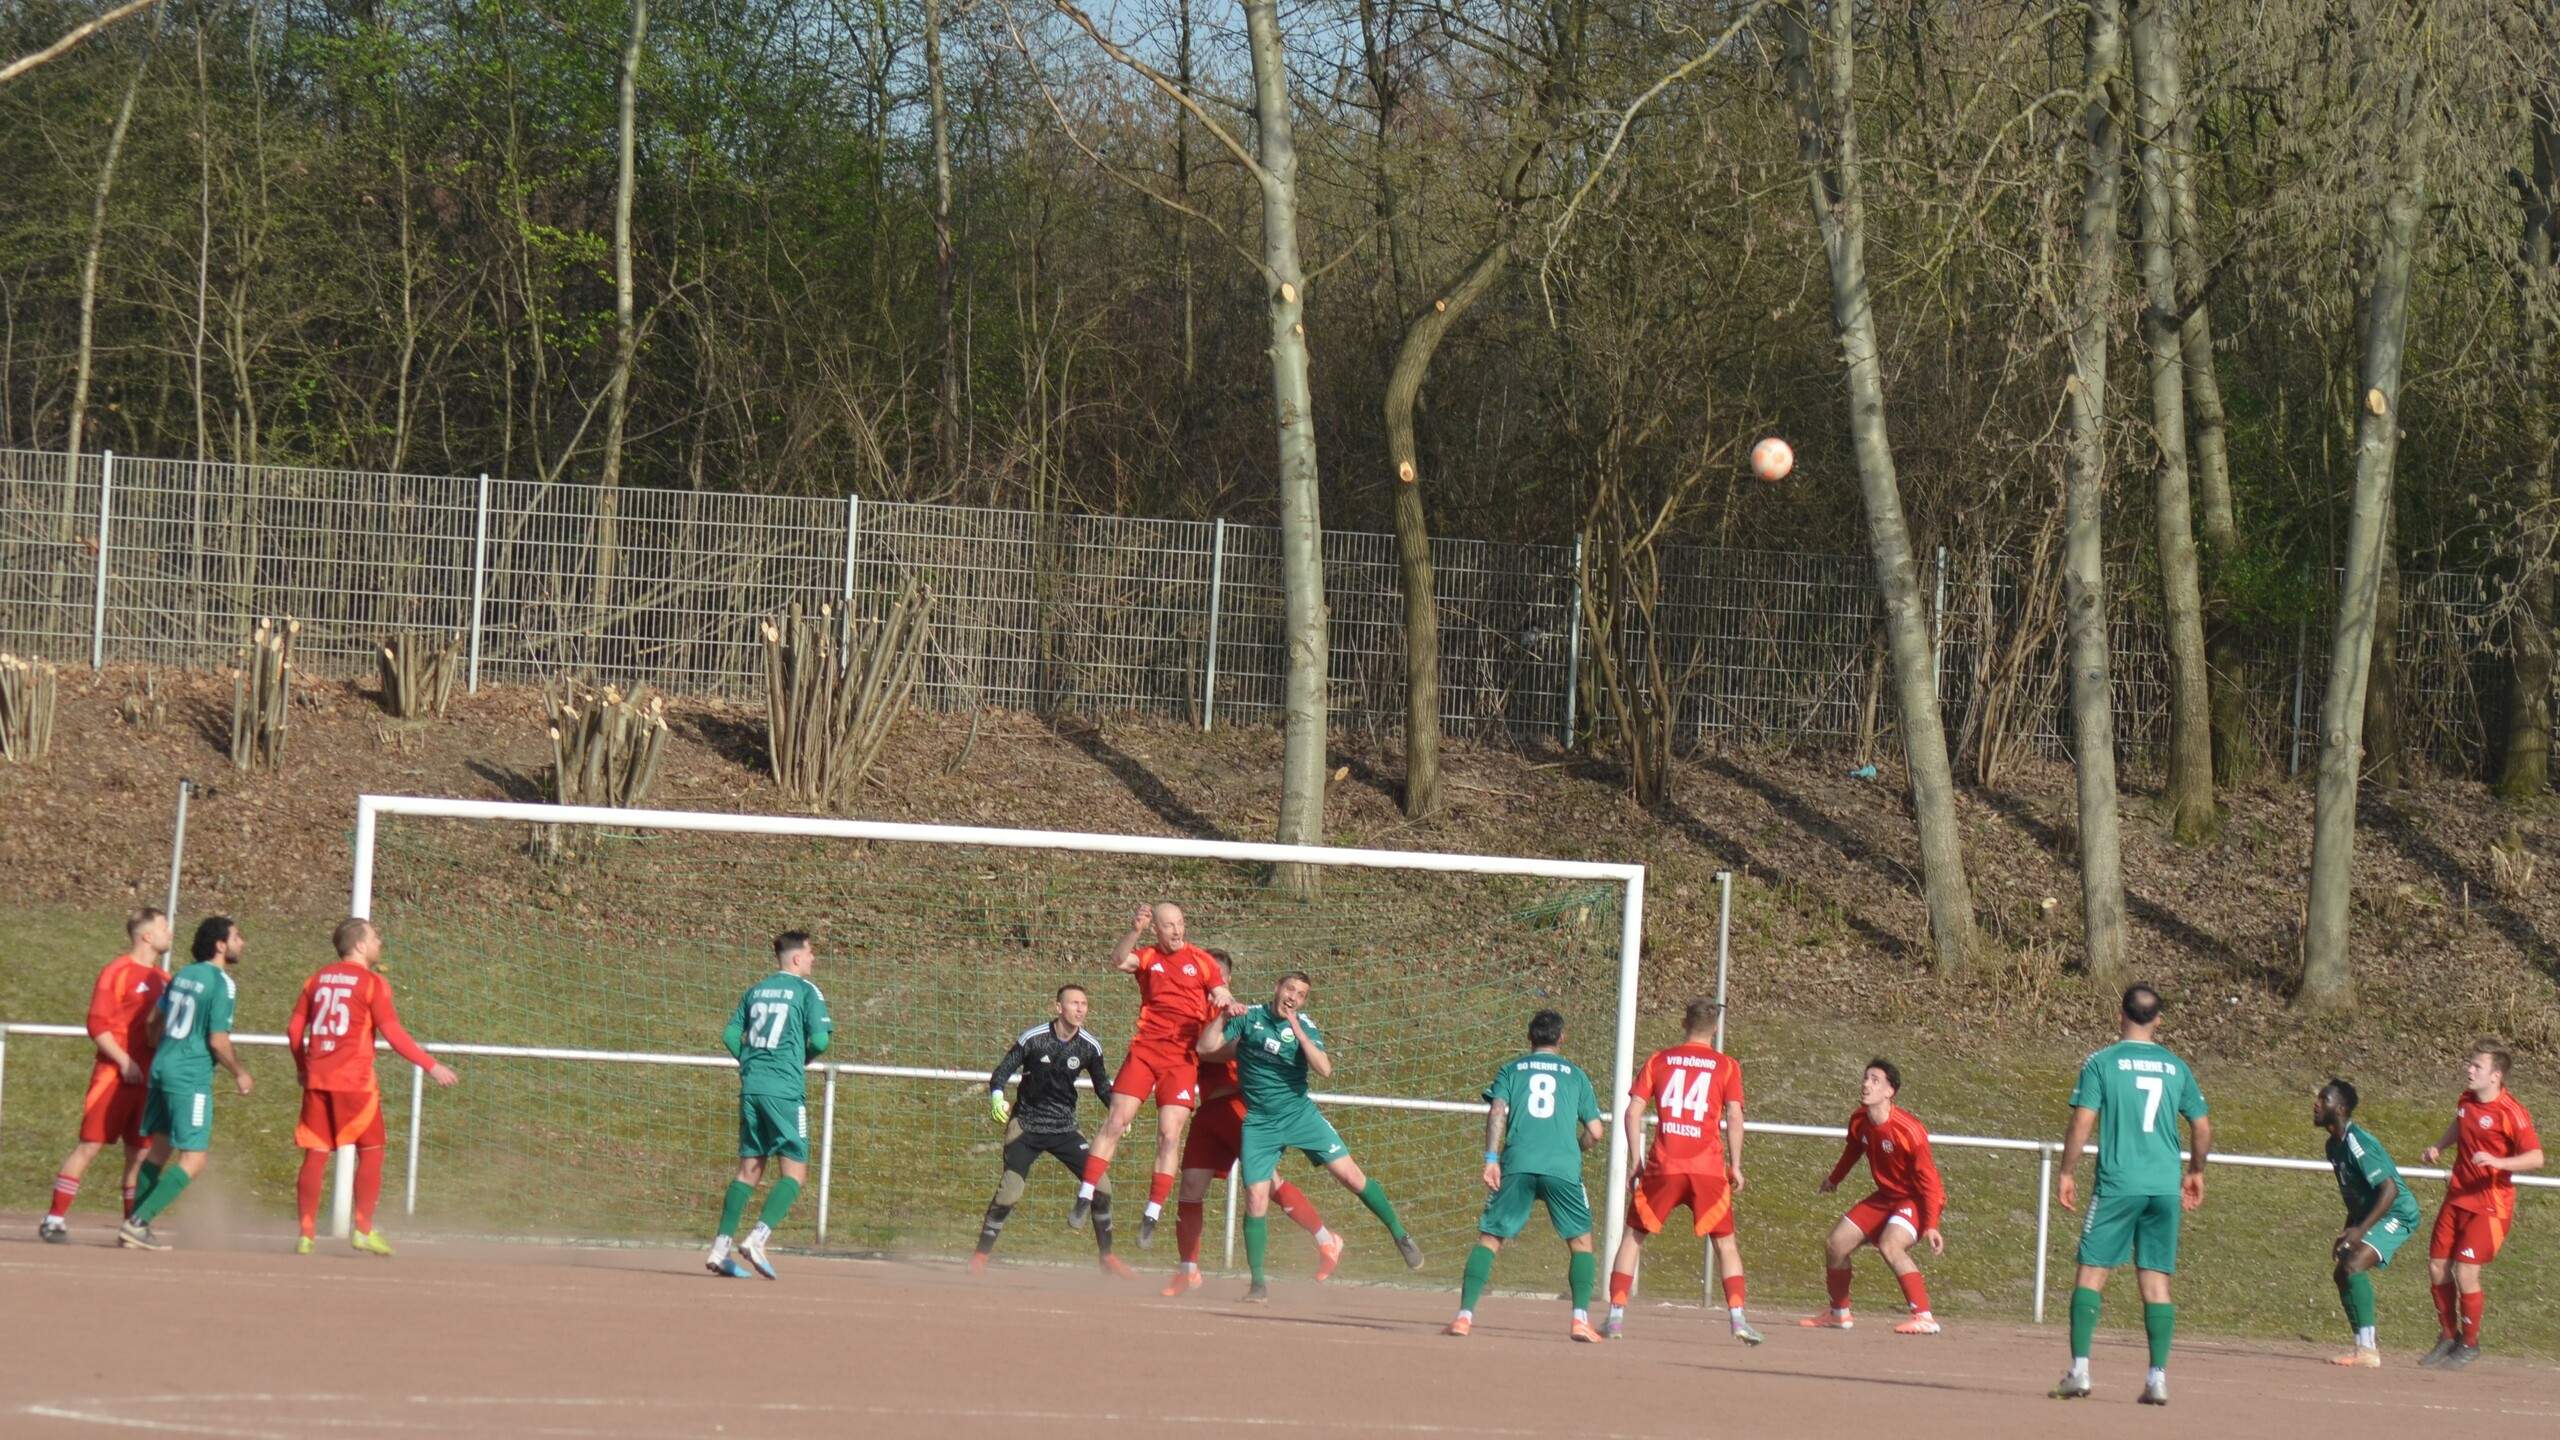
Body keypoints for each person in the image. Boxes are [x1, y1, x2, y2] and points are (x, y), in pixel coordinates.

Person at [1199, 971, 1422, 1301]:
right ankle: (1258, 1283)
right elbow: (1205, 1047)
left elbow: (1325, 1069)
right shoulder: (1250, 1018)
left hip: (1300, 1115)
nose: (1292, 996)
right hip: (1260, 1122)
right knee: (1256, 1198)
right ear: (1277, 987)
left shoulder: (1305, 1025)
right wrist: (1222, 1016)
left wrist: (1300, 1034)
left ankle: (1400, 1235)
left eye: (1300, 994)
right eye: (1289, 989)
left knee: (1350, 1176)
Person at [2049, 983, 2211, 1406]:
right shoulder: (2176, 1067)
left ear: (2120, 1014)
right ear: (2158, 1020)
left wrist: (2067, 1170)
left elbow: (2084, 1120)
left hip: (2119, 1183)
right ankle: (2157, 1377)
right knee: (2156, 1283)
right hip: (2163, 1186)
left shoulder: (2102, 1062)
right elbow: (2201, 1125)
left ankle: (2080, 1371)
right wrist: (2195, 1170)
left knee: (2091, 1274)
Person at [1162, 952, 1341, 1298]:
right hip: (1208, 1112)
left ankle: (1326, 1239)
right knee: (1190, 1188)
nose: (1208, 983)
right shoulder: (1189, 1012)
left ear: (1225, 981)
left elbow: (1216, 1049)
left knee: (1267, 1185)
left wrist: (1193, 1045)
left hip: (1241, 1107)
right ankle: (1188, 1269)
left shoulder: (1242, 1015)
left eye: (1216, 977)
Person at [285, 917, 460, 1256]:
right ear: (360, 945)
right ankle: (363, 1229)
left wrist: (301, 1068)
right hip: (354, 1082)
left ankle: (306, 1235)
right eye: (375, 937)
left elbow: (294, 1031)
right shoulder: (372, 983)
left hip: (318, 1079)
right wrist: (431, 1065)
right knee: (372, 1148)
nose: (380, 943)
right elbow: (393, 1033)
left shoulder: (316, 980)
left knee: (317, 1152)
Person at [1073, 902, 1238, 1239]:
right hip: (1146, 1051)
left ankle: (1152, 1213)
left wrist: (1226, 1000)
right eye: (1168, 925)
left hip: (1182, 1059)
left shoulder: (1201, 961)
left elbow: (1220, 989)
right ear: (1156, 929)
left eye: (1180, 923)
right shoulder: (1148, 957)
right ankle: (1085, 1194)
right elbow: (1119, 959)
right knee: (1117, 1121)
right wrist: (1133, 929)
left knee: (1169, 1135)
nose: (1176, 931)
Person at [1444, 1009, 1604, 1342]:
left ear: (1529, 1038)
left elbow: (1498, 1110)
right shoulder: (1576, 1075)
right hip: (1562, 1168)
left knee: (1490, 1239)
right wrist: (1576, 1148)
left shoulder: (1512, 1069)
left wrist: (1491, 1158)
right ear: (1562, 1038)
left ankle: (1463, 1317)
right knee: (1581, 1244)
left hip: (1517, 1162)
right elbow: (1596, 1132)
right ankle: (1579, 1320)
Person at [1604, 999, 1757, 1344]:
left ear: (1683, 1023)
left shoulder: (1659, 1060)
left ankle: (1615, 1316)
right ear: (1715, 1029)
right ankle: (1737, 1319)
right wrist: (1735, 1164)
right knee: (1726, 1244)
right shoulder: (1727, 1066)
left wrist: (1636, 1162)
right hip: (1707, 1168)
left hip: (1665, 1165)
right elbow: (1734, 1116)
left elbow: (1632, 1113)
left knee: (1633, 1238)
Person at [974, 983, 1134, 1276]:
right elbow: (1001, 1073)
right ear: (1058, 1007)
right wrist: (997, 1097)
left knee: (1102, 1188)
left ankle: (1107, 1257)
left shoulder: (1089, 1046)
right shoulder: (1034, 1039)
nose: (1080, 1009)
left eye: (1084, 1004)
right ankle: (980, 1258)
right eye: (1074, 1003)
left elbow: (1102, 1087)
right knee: (1010, 1192)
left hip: (1064, 1128)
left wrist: (1119, 1112)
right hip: (1027, 1125)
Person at [118, 918, 254, 1251]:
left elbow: (154, 1021)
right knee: (194, 1160)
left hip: (162, 1067)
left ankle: (131, 1223)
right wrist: (239, 1071)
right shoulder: (221, 983)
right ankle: (138, 1222)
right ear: (220, 945)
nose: (242, 942)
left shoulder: (183, 975)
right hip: (189, 1076)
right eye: (237, 936)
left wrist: (157, 1046)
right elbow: (218, 1040)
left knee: (159, 1149)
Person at [705, 931, 834, 1280]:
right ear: (796, 958)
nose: (813, 959)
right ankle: (758, 1239)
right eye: (810, 953)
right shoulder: (807, 991)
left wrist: (750, 1061)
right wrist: (797, 1061)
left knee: (749, 1169)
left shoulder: (755, 990)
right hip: (784, 1090)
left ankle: (720, 1248)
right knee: (795, 1173)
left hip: (752, 1087)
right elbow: (820, 1039)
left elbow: (731, 1035)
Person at [38, 907, 172, 1242]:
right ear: (146, 935)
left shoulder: (166, 980)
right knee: (90, 1145)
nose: (170, 934)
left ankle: (131, 1225)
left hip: (147, 1082)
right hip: (113, 1077)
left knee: (139, 1155)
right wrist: (125, 1062)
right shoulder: (117, 971)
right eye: (164, 927)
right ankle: (54, 1219)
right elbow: (97, 1025)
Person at [2417, 1041, 2543, 1369]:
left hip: (2490, 1205)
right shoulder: (2466, 1100)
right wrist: (2439, 1147)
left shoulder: (2510, 1111)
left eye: (2477, 1067)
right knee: (2436, 1266)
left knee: (2466, 1271)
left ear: (2496, 1076)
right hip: (2457, 1197)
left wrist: (2498, 1162)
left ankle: (2470, 1343)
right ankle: (2447, 1336)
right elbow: (2460, 1123)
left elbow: (2536, 1157)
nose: (2469, 1070)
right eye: (2469, 1064)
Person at [1802, 1058, 1947, 1335]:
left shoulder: (1909, 1130)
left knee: (1890, 1243)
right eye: (1866, 1077)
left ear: (1889, 1091)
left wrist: (1931, 1224)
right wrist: (1834, 1179)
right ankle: (1839, 1314)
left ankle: (1924, 1316)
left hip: (1916, 1198)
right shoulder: (1859, 1120)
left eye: (1875, 1080)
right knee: (1836, 1244)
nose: (1866, 1084)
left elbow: (1930, 1182)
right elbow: (1853, 1150)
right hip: (1886, 1196)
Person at [2314, 1078, 2421, 1369]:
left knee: (2354, 1265)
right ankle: (2362, 1345)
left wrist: (2360, 1231)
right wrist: (2348, 1229)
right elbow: (2356, 1194)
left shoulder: (2357, 1141)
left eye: (2325, 1099)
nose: (2317, 1104)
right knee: (2342, 1273)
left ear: (2342, 1108)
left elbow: (2389, 1190)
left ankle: (2368, 1350)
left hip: (2398, 1212)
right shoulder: (2333, 1146)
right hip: (2372, 1213)